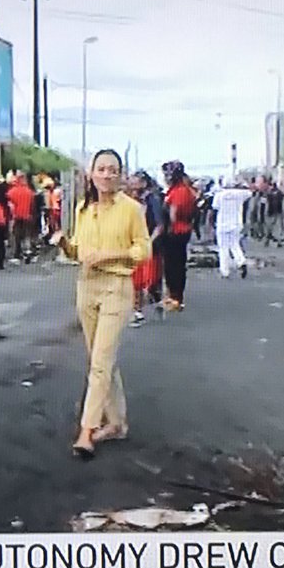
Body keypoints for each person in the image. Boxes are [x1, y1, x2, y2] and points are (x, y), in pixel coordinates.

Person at [52, 149, 150, 460]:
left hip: (116, 287)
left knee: (99, 363)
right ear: (92, 174)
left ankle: (87, 431)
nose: (107, 175)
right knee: (101, 359)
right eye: (102, 169)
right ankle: (117, 423)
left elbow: (143, 250)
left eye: (113, 170)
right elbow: (78, 251)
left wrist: (110, 255)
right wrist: (64, 244)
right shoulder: (83, 208)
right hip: (87, 285)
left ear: (120, 176)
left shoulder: (132, 209)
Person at [127, 172, 165, 327]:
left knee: (150, 282)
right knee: (135, 282)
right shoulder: (128, 202)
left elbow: (159, 225)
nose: (131, 184)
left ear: (143, 183)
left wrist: (149, 241)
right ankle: (137, 312)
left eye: (135, 181)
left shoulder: (152, 201)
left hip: (151, 248)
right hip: (133, 247)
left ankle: (157, 300)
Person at [162, 161, 196, 312]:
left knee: (173, 266)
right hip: (182, 230)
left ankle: (175, 297)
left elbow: (173, 214)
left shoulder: (179, 191)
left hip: (175, 231)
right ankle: (175, 297)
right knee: (177, 265)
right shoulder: (183, 189)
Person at [213, 179, 252, 279]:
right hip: (236, 223)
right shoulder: (240, 194)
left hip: (222, 224)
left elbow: (215, 207)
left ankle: (224, 271)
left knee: (223, 248)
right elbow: (250, 192)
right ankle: (241, 261)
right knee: (235, 244)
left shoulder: (219, 195)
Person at [7, 174, 35, 264]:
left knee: (16, 235)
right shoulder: (29, 192)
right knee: (27, 235)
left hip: (16, 217)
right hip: (27, 216)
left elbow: (9, 204)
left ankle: (17, 253)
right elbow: (32, 205)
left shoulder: (11, 192)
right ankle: (27, 251)